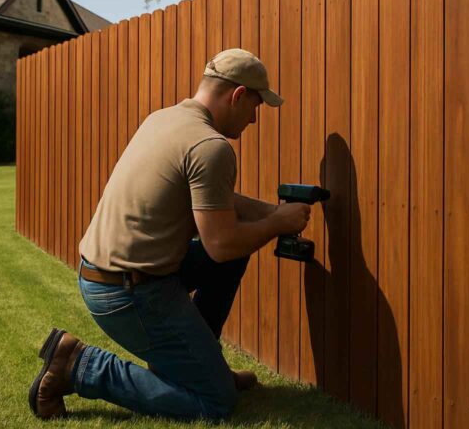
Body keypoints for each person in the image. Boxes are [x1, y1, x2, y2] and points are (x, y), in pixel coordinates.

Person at [28, 48, 311, 421]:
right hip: (130, 292)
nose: (254, 119)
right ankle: (80, 366)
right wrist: (279, 223)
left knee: (225, 261)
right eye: (255, 106)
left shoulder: (162, 120)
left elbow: (211, 201)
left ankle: (197, 363)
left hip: (104, 275)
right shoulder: (211, 147)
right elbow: (222, 245)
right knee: (216, 403)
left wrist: (270, 211)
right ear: (238, 95)